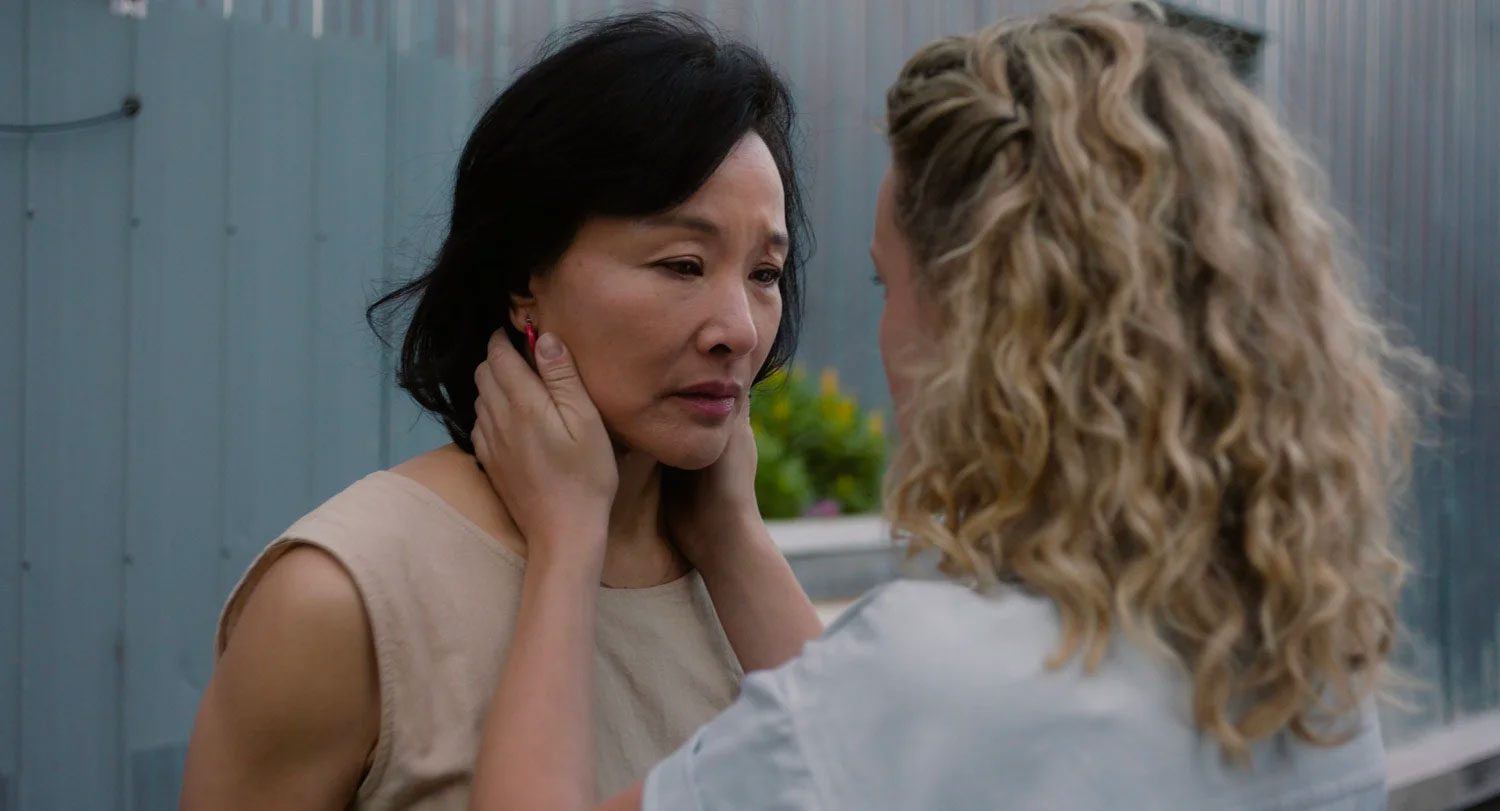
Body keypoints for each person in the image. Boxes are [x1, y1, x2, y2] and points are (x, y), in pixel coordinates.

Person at [463, 3, 1436, 809]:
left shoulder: (939, 680)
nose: (744, 332)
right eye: (683, 262)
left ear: (992, 333)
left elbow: (878, 734)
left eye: (887, 287)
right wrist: (730, 535)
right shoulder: (1308, 677)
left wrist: (567, 540)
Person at [179, 12, 822, 810]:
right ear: (525, 279)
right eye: (682, 264)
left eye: (765, 273)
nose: (739, 329)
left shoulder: (735, 575)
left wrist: (735, 540)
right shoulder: (343, 598)